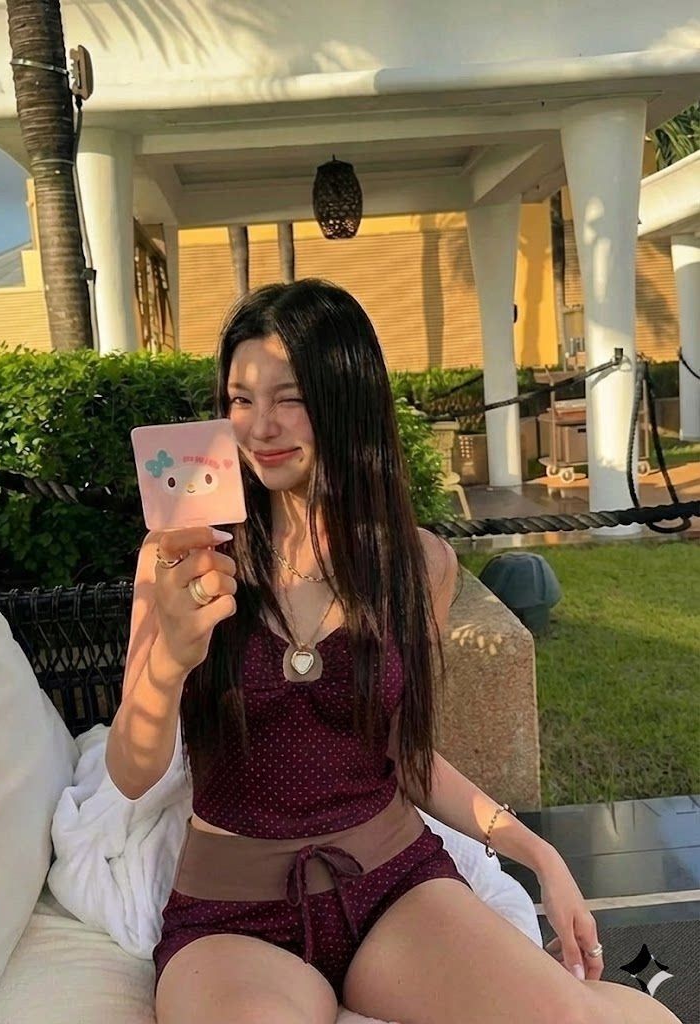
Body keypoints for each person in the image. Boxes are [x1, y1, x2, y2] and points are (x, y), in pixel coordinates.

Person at [106, 280, 680, 1024]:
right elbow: (131, 772)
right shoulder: (181, 558)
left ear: (347, 400)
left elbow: (405, 756)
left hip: (393, 886)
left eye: (291, 397)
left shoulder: (416, 565)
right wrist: (171, 661)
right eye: (240, 399)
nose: (260, 425)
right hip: (232, 916)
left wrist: (540, 853)